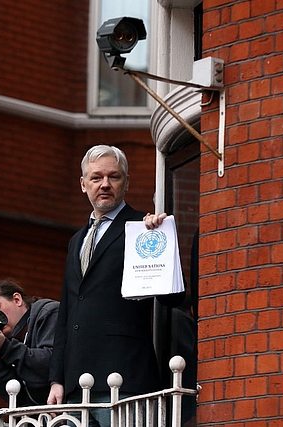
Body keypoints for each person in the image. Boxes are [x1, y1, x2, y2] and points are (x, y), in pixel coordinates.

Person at [47, 145, 170, 427]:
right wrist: (57, 379)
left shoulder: (144, 228)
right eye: (96, 177)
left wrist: (161, 242)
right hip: (77, 384)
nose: (104, 184)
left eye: (113, 177)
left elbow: (174, 297)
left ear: (126, 183)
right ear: (83, 184)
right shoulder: (77, 239)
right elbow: (67, 312)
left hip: (123, 378)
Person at [0, 279, 59, 406]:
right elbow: (15, 397)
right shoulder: (12, 342)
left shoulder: (48, 312)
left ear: (17, 299)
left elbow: (52, 364)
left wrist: (5, 348)